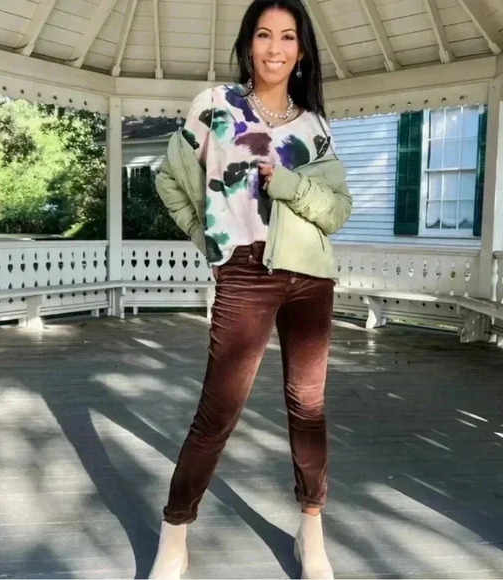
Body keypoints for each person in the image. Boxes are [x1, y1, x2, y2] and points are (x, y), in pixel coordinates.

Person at [153, 0, 352, 577]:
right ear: (247, 45)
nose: (275, 48)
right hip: (245, 271)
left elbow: (337, 211)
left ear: (302, 50)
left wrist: (287, 184)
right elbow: (169, 178)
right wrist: (210, 241)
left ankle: (311, 531)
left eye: (287, 37)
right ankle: (174, 531)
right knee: (218, 412)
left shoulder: (315, 127)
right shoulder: (216, 105)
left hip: (310, 275)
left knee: (308, 407)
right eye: (264, 35)